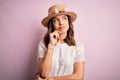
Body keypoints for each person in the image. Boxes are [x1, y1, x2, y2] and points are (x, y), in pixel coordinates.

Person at [36, 4, 85, 80]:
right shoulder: (43, 44)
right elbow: (43, 74)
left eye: (64, 18)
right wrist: (51, 45)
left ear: (69, 21)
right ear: (51, 24)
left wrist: (51, 79)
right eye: (56, 20)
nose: (61, 23)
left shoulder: (77, 46)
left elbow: (78, 77)